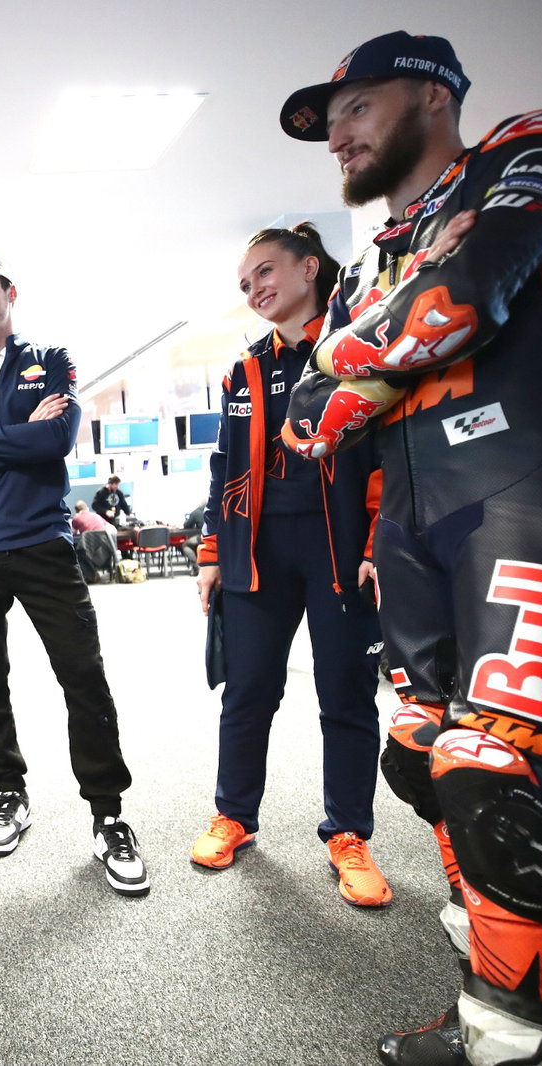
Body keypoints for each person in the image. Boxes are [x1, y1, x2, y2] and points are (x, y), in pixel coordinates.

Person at [279, 32, 542, 1065]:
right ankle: (488, 995)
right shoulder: (370, 260)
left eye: (353, 107)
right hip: (415, 530)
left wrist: (377, 351)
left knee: (491, 767)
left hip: (536, 498)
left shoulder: (540, 143)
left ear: (431, 97)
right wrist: (388, 343)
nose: (337, 134)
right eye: (327, 123)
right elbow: (311, 413)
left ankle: (530, 1038)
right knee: (422, 756)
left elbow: (467, 293)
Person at [0, 250, 148, 897]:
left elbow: (57, 440)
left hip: (43, 544)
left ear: (8, 292)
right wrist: (10, 433)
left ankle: (109, 815)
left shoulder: (52, 358)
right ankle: (9, 792)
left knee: (83, 674)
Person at [191, 222, 390, 907]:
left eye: (266, 273)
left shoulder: (360, 348)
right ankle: (235, 817)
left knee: (345, 692)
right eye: (245, 284)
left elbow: (392, 454)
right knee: (247, 690)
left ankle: (349, 835)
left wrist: (378, 546)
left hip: (339, 547)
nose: (255, 290)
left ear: (310, 268)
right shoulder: (244, 368)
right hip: (258, 551)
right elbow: (223, 467)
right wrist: (212, 552)